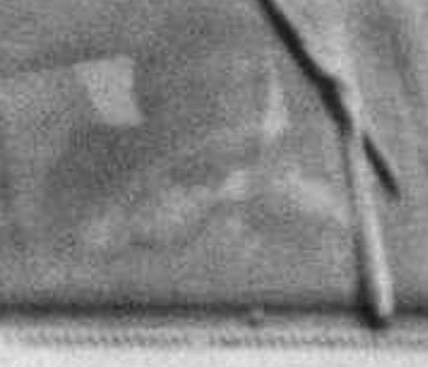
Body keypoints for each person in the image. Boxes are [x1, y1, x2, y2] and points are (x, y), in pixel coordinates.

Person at [71, 24, 348, 258]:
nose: (222, 105)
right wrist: (146, 215)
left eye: (238, 85)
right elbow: (76, 259)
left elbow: (356, 246)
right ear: (152, 98)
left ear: (261, 94)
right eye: (198, 89)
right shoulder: (116, 180)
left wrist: (315, 210)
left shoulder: (311, 164)